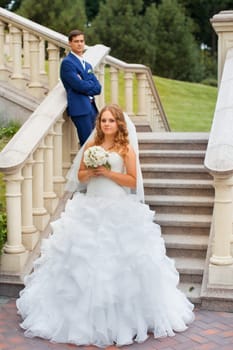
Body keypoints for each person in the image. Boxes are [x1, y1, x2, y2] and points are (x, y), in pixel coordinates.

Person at [16, 104, 194, 348]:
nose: (107, 124)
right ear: (99, 124)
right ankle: (76, 318)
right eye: (103, 121)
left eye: (111, 121)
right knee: (81, 261)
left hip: (118, 208)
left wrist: (108, 173)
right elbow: (80, 177)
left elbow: (132, 181)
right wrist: (91, 172)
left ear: (119, 124)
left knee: (118, 265)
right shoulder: (91, 147)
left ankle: (124, 319)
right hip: (89, 207)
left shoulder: (126, 149)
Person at [60, 29, 101, 146]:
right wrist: (87, 83)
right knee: (87, 144)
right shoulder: (67, 63)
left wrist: (84, 82)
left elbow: (98, 88)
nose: (79, 44)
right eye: (76, 41)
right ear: (70, 43)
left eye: (82, 41)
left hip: (92, 108)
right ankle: (85, 165)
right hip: (80, 109)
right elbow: (78, 85)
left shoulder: (87, 65)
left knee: (97, 142)